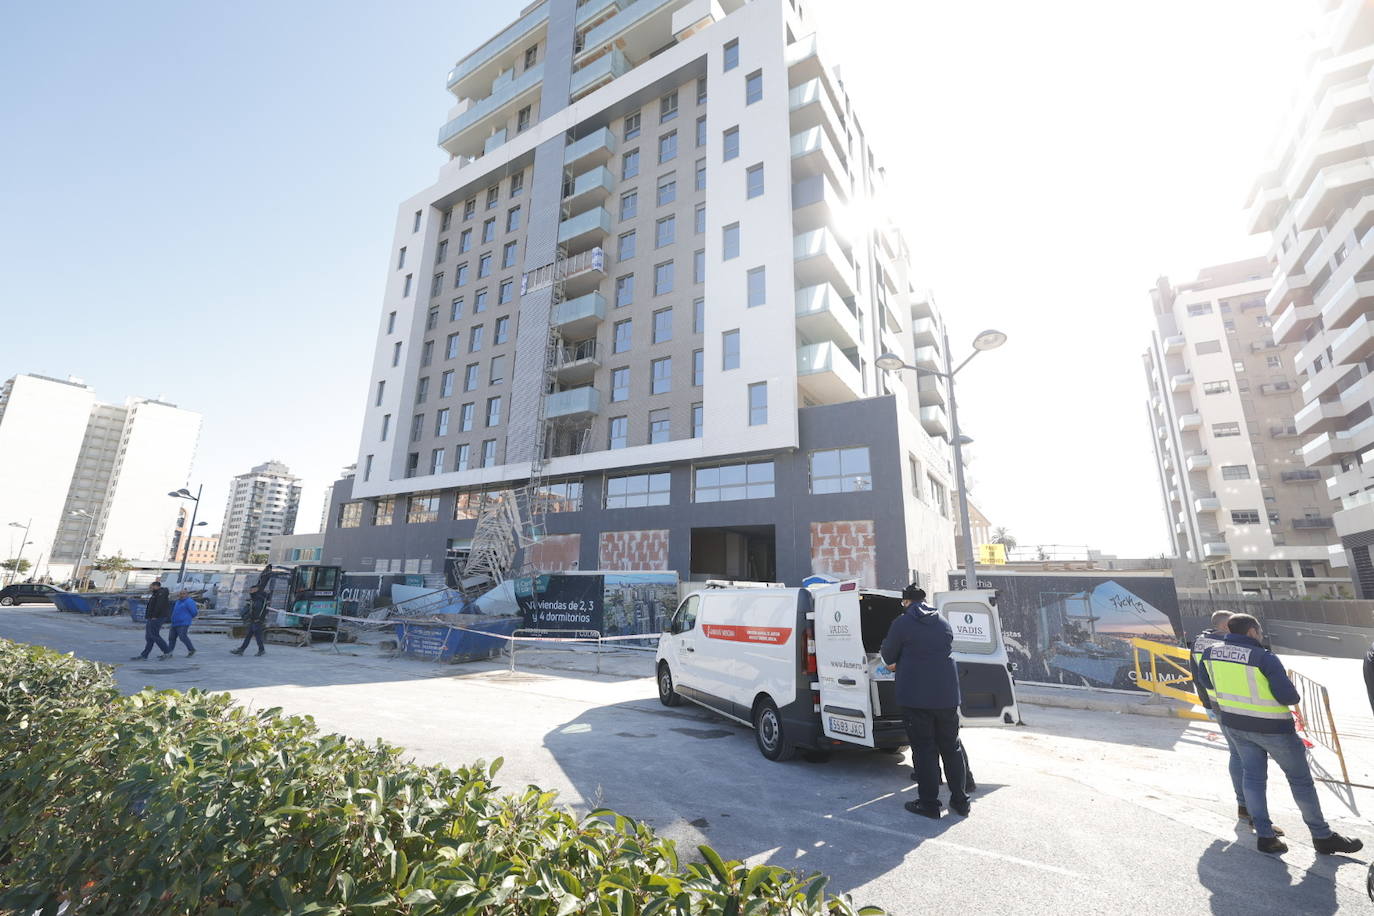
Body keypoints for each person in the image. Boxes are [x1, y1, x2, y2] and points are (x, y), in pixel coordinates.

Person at [1198, 613, 1362, 855]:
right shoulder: (1264, 658)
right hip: (1273, 729)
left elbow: (1207, 683)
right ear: (1252, 632)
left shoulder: (1210, 654)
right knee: (1301, 782)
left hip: (1237, 726)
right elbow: (1289, 697)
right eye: (1259, 630)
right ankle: (1322, 836)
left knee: (1253, 779)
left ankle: (1265, 836)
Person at [881, 585, 969, 819]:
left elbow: (888, 656)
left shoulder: (902, 623)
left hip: (915, 697)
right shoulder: (942, 621)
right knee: (951, 748)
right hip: (947, 697)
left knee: (924, 750)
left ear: (906, 602)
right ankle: (961, 801)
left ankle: (929, 804)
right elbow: (945, 648)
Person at [1188, 610, 1280, 834]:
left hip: (1219, 705)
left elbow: (1197, 675)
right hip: (1241, 707)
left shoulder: (1199, 643)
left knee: (1235, 754)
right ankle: (1253, 813)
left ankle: (1244, 805)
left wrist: (1207, 704)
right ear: (1227, 627)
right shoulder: (1224, 647)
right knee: (1249, 761)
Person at [132, 580, 172, 661]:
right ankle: (144, 655)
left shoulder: (161, 593)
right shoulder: (156, 593)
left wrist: (154, 616)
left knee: (154, 635)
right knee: (149, 637)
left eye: (152, 587)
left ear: (156, 586)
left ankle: (167, 651)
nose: (150, 588)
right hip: (152, 617)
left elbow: (159, 606)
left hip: (157, 617)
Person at [231, 585, 269, 656]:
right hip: (253, 620)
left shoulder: (259, 599)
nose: (250, 592)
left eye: (251, 590)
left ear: (256, 590)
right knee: (249, 635)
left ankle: (261, 650)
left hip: (257, 621)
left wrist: (256, 619)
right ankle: (242, 649)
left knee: (257, 636)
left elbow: (258, 611)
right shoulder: (254, 598)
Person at [167, 589, 198, 657]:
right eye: (181, 593)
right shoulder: (178, 601)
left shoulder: (189, 601)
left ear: (187, 594)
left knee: (182, 637)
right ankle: (169, 652)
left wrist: (187, 618)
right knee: (171, 638)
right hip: (175, 622)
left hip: (183, 623)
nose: (182, 595)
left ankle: (191, 649)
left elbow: (194, 612)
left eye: (184, 593)